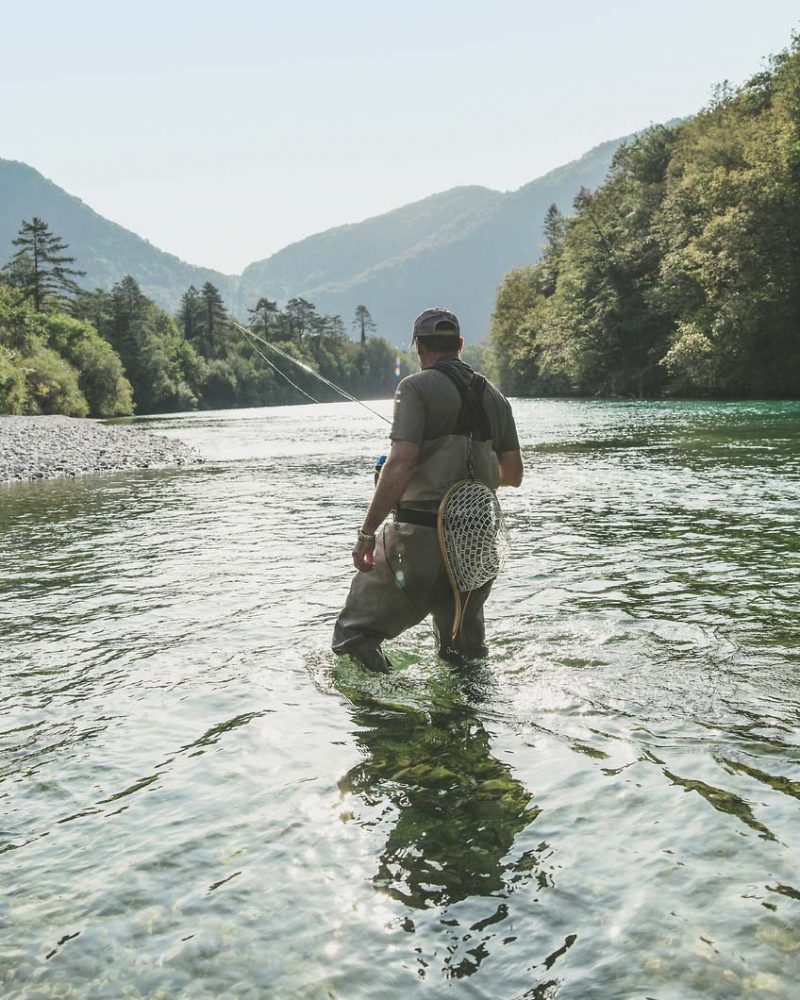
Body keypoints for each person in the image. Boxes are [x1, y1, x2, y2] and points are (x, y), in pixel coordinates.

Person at [332, 307, 523, 673]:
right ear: (460, 344)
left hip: (420, 538)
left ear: (419, 347)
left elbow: (401, 462)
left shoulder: (414, 387)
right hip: (476, 544)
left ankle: (393, 718)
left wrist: (366, 534)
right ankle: (464, 722)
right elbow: (513, 474)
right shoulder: (496, 398)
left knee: (354, 638)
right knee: (463, 657)